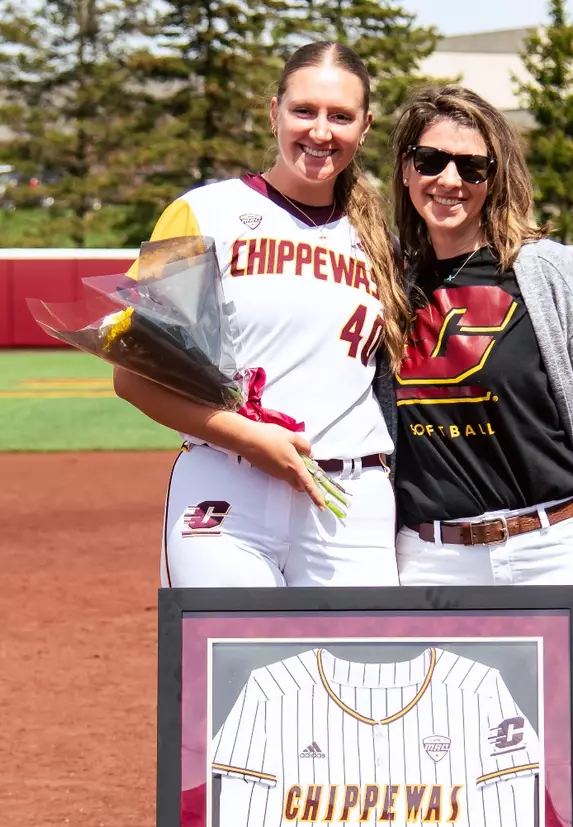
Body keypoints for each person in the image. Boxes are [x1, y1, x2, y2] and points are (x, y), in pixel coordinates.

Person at [111, 42, 407, 588]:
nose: (321, 131)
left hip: (350, 501)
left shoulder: (383, 242)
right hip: (229, 485)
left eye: (341, 116)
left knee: (359, 675)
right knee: (232, 671)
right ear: (274, 113)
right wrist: (247, 438)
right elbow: (132, 379)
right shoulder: (199, 212)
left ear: (364, 129)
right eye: (305, 111)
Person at [376, 85, 573, 672]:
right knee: (438, 750)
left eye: (472, 167)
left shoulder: (545, 271)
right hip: (431, 558)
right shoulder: (391, 283)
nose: (449, 179)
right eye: (430, 160)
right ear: (405, 169)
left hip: (550, 548)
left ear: (496, 177)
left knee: (555, 757)